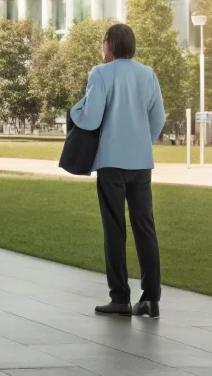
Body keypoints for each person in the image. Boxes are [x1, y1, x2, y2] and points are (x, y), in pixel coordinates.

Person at [69, 23, 165, 320]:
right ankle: (150, 300)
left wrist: (74, 110)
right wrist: (141, 140)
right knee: (145, 229)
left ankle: (120, 298)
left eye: (103, 42)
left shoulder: (101, 72)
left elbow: (90, 117)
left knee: (115, 229)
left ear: (109, 43)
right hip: (141, 163)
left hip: (111, 162)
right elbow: (158, 117)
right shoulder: (147, 73)